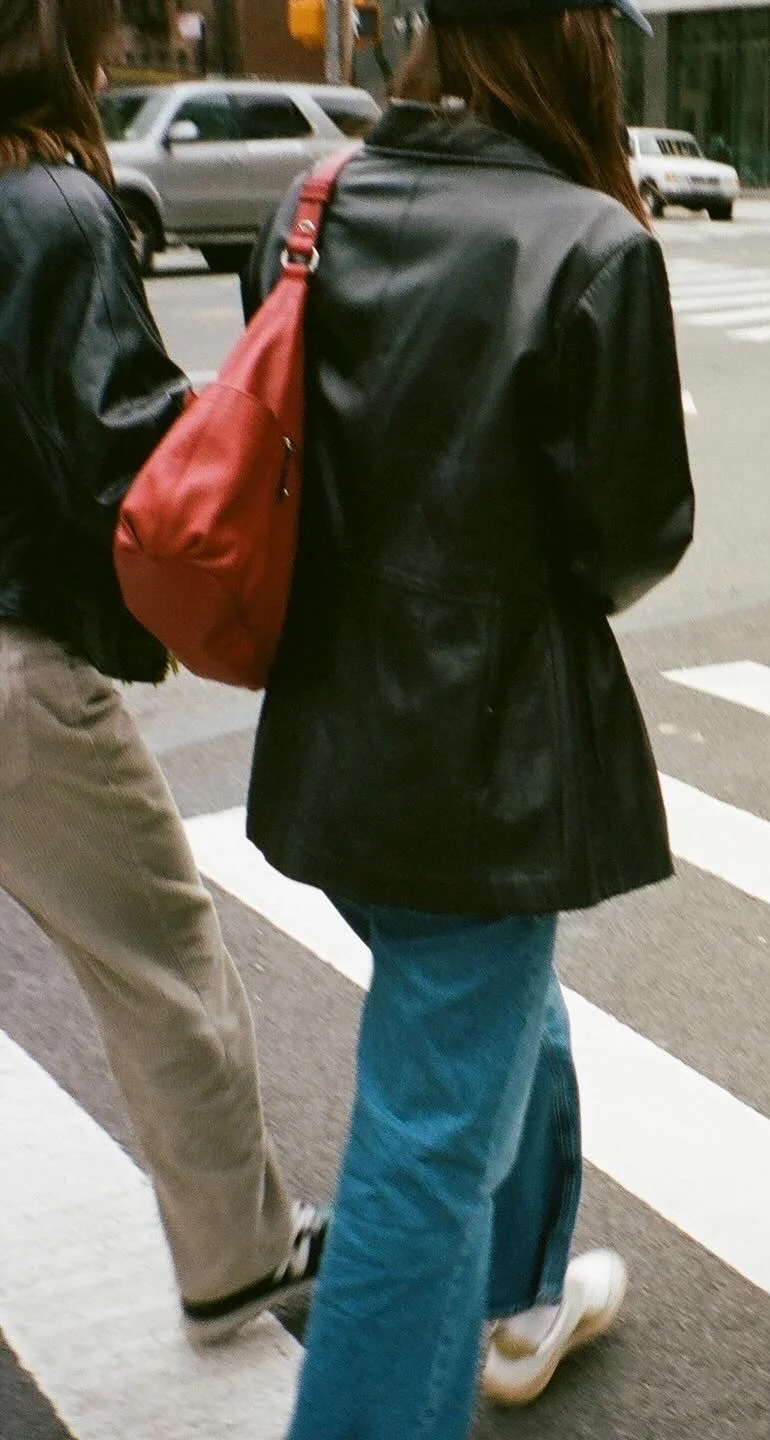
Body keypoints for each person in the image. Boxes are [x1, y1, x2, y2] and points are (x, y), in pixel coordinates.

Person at [241, 0, 695, 1434]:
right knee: (425, 1149)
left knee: (488, 1021)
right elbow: (637, 534)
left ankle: (517, 1299)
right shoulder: (592, 243)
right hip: (483, 767)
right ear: (580, 52)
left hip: (330, 745)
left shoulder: (311, 206)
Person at [0, 0, 327, 1346]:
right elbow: (116, 447)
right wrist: (225, 421)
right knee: (163, 955)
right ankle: (237, 1251)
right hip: (19, 671)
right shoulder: (55, 212)